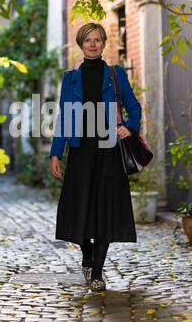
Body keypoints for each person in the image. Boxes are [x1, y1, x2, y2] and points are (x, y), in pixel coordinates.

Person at [49, 23, 142, 291]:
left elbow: (133, 107)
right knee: (78, 207)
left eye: (98, 40)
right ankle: (86, 254)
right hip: (80, 152)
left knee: (105, 209)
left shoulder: (115, 75)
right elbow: (65, 117)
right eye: (88, 40)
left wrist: (130, 126)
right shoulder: (70, 78)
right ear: (81, 44)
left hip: (108, 150)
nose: (93, 44)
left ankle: (98, 273)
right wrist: (56, 153)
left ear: (103, 44)